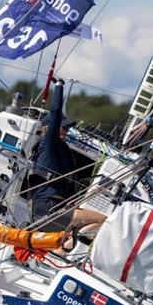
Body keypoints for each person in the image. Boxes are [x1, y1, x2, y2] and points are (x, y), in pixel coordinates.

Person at [30, 79, 106, 242]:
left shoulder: (60, 150)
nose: (66, 131)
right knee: (102, 220)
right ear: (51, 128)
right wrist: (59, 86)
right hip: (48, 209)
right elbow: (56, 111)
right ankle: (67, 250)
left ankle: (63, 251)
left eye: (68, 129)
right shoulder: (48, 142)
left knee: (67, 235)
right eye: (64, 128)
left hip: (53, 209)